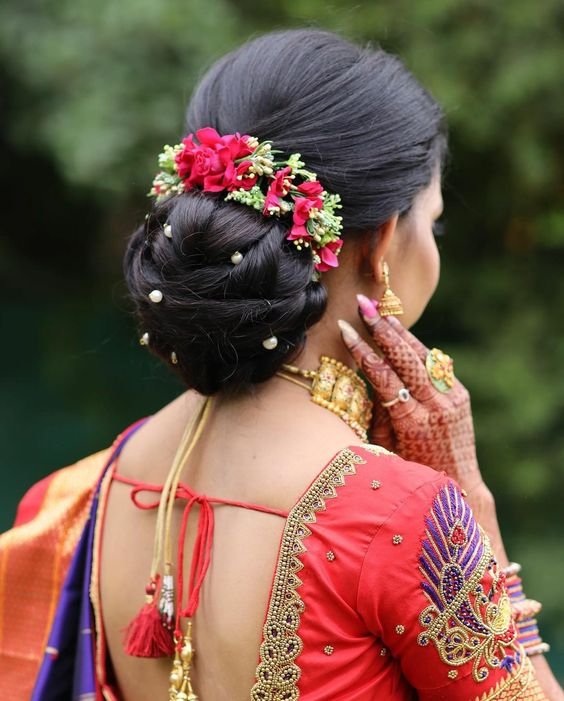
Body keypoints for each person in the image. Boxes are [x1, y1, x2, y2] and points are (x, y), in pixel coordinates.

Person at [1, 28, 562, 701]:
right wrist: (476, 513)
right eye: (432, 224)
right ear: (383, 243)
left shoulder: (97, 486)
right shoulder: (403, 514)